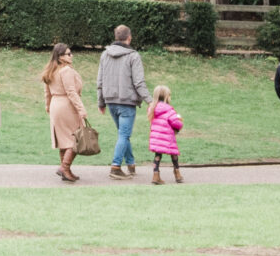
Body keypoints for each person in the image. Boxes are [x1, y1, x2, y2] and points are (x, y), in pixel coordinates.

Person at [96, 24, 148, 179]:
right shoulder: (133, 56)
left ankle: (131, 163)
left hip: (111, 101)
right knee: (124, 135)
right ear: (129, 37)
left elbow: (100, 81)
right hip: (127, 102)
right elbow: (139, 82)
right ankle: (116, 166)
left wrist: (101, 102)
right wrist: (150, 101)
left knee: (123, 135)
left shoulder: (105, 55)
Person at [42, 44, 85, 182]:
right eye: (68, 54)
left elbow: (47, 92)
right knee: (75, 138)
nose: (71, 56)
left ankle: (66, 170)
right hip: (67, 105)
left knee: (63, 139)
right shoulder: (66, 71)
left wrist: (48, 106)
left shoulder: (50, 70)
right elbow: (71, 92)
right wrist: (81, 109)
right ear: (61, 57)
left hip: (55, 104)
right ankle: (64, 167)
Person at [146, 85, 184, 183]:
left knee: (158, 156)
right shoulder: (169, 110)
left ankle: (155, 175)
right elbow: (176, 123)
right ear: (167, 97)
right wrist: (179, 121)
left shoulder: (152, 109)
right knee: (174, 154)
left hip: (156, 137)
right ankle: (177, 173)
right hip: (167, 137)